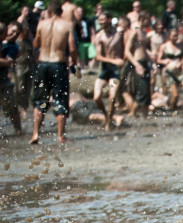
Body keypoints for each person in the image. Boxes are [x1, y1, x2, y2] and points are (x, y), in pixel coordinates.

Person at [30, 0, 80, 144]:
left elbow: (35, 44)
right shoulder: (67, 25)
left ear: (49, 11)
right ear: (61, 12)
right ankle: (60, 136)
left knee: (40, 99)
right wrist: (75, 64)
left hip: (43, 63)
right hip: (58, 64)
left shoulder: (41, 24)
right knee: (60, 99)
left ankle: (35, 134)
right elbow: (72, 49)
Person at [92, 11, 126, 128]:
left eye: (103, 19)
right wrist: (113, 60)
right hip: (104, 68)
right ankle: (107, 116)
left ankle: (108, 124)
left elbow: (125, 48)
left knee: (112, 97)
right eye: (99, 20)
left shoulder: (119, 33)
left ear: (110, 19)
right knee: (96, 97)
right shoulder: (99, 36)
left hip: (115, 70)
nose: (100, 22)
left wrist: (123, 60)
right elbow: (98, 56)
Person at [1, 22, 23, 135]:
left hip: (4, 81)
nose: (14, 35)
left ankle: (18, 130)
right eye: (13, 31)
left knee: (12, 107)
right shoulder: (2, 42)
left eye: (17, 33)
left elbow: (9, 62)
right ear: (7, 29)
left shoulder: (13, 47)